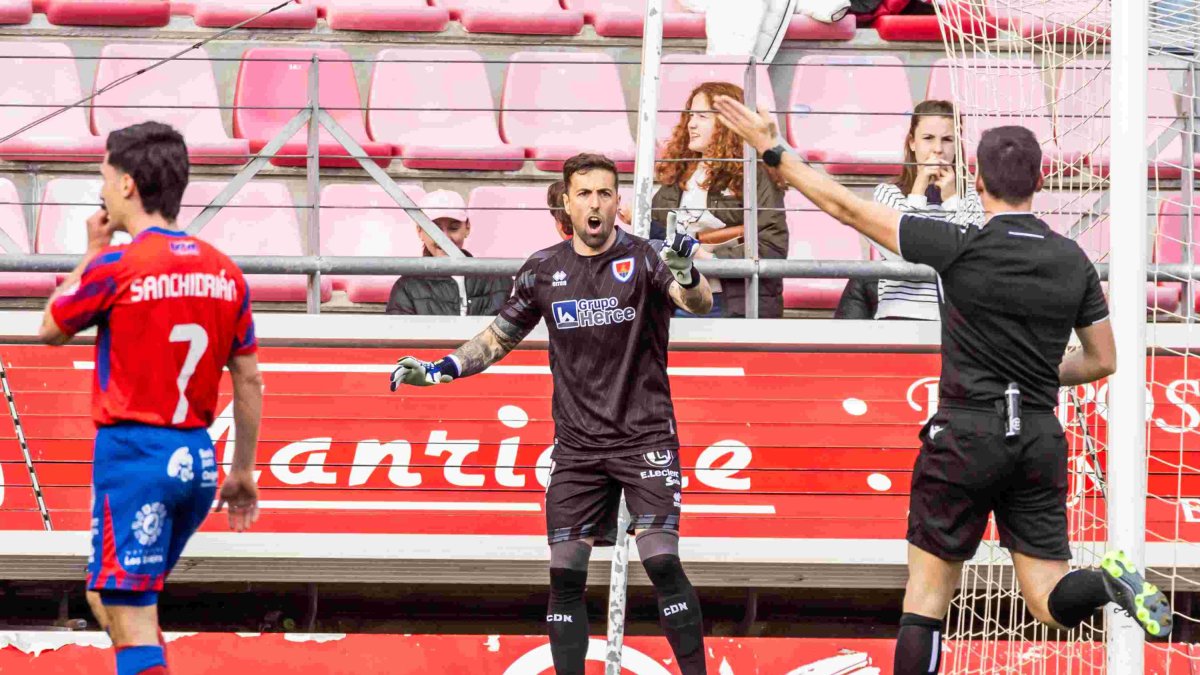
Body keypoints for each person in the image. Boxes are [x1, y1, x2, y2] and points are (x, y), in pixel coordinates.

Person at [709, 96, 1173, 672]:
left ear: (976, 178)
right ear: (1042, 179)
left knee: (926, 598)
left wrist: (771, 147)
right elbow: (1103, 360)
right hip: (1036, 436)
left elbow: (847, 208)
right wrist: (1032, 371)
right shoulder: (1073, 260)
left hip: (966, 431)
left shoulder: (959, 245)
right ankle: (1106, 581)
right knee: (1052, 602)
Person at [389, 153, 714, 675]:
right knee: (565, 575)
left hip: (644, 436)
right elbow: (498, 337)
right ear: (566, 203)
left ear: (616, 203)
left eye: (605, 193)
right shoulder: (544, 269)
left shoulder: (649, 258)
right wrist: (441, 369)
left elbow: (695, 301)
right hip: (578, 448)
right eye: (584, 193)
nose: (595, 203)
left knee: (662, 561)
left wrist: (688, 271)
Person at [37, 122, 262, 675]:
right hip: (199, 459)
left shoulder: (119, 265)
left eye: (106, 178)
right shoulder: (225, 271)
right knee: (109, 595)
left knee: (128, 609)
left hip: (136, 455)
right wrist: (243, 471)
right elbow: (250, 380)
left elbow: (50, 327)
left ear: (129, 186)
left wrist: (92, 250)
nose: (104, 189)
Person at [653, 81, 789, 318]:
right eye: (690, 115)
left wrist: (712, 259)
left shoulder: (754, 172)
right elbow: (656, 235)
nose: (691, 124)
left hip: (728, 303)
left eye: (702, 116)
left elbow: (773, 245)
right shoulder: (680, 172)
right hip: (677, 298)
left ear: (727, 121)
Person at [858, 99, 986, 321]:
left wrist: (951, 200)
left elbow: (972, 258)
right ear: (912, 142)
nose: (938, 149)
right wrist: (918, 191)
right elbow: (899, 252)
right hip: (898, 316)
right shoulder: (887, 193)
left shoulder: (971, 197)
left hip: (954, 322)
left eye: (947, 140)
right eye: (928, 139)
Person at [385, 189, 513, 316]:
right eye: (434, 229)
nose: (445, 238)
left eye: (453, 228)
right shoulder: (406, 287)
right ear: (419, 231)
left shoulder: (498, 280)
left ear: (467, 227)